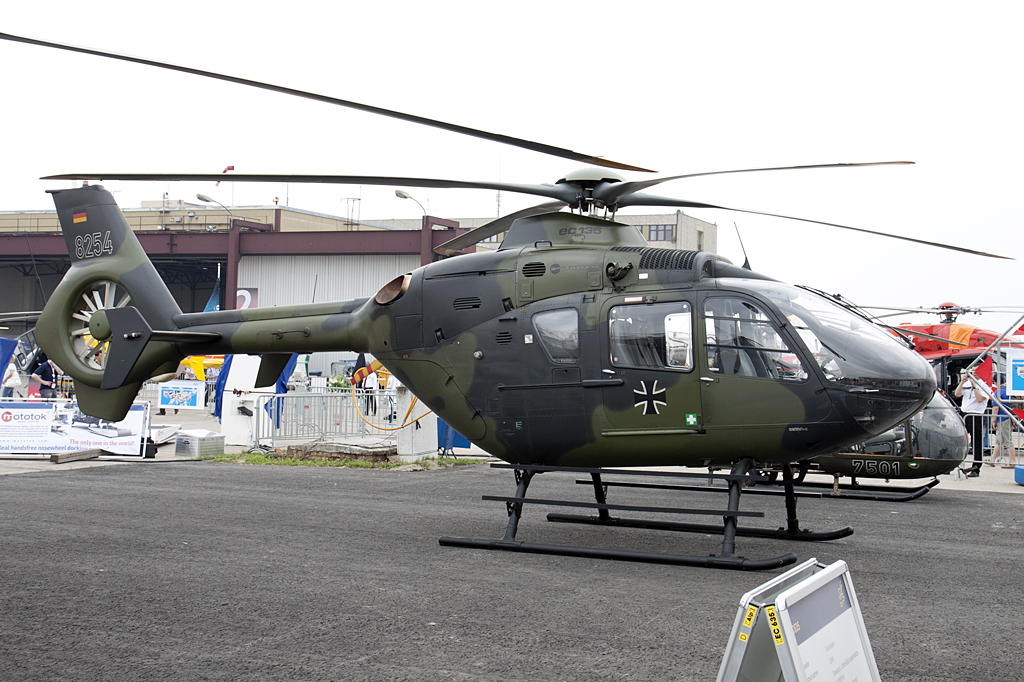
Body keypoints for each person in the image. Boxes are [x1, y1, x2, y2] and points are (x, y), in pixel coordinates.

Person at [955, 373, 989, 477]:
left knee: (976, 442)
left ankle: (976, 467)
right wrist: (962, 381)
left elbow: (980, 399)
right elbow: (957, 394)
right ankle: (954, 464)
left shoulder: (984, 385)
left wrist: (975, 386)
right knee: (957, 438)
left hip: (975, 414)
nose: (972, 374)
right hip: (964, 413)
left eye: (975, 372)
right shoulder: (967, 384)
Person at [991, 382, 1017, 469]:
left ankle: (1012, 462)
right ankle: (993, 460)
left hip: (1002, 419)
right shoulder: (1009, 391)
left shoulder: (998, 392)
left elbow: (995, 408)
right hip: (1009, 417)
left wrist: (993, 420)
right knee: (999, 440)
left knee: (1007, 440)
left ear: (995, 382)